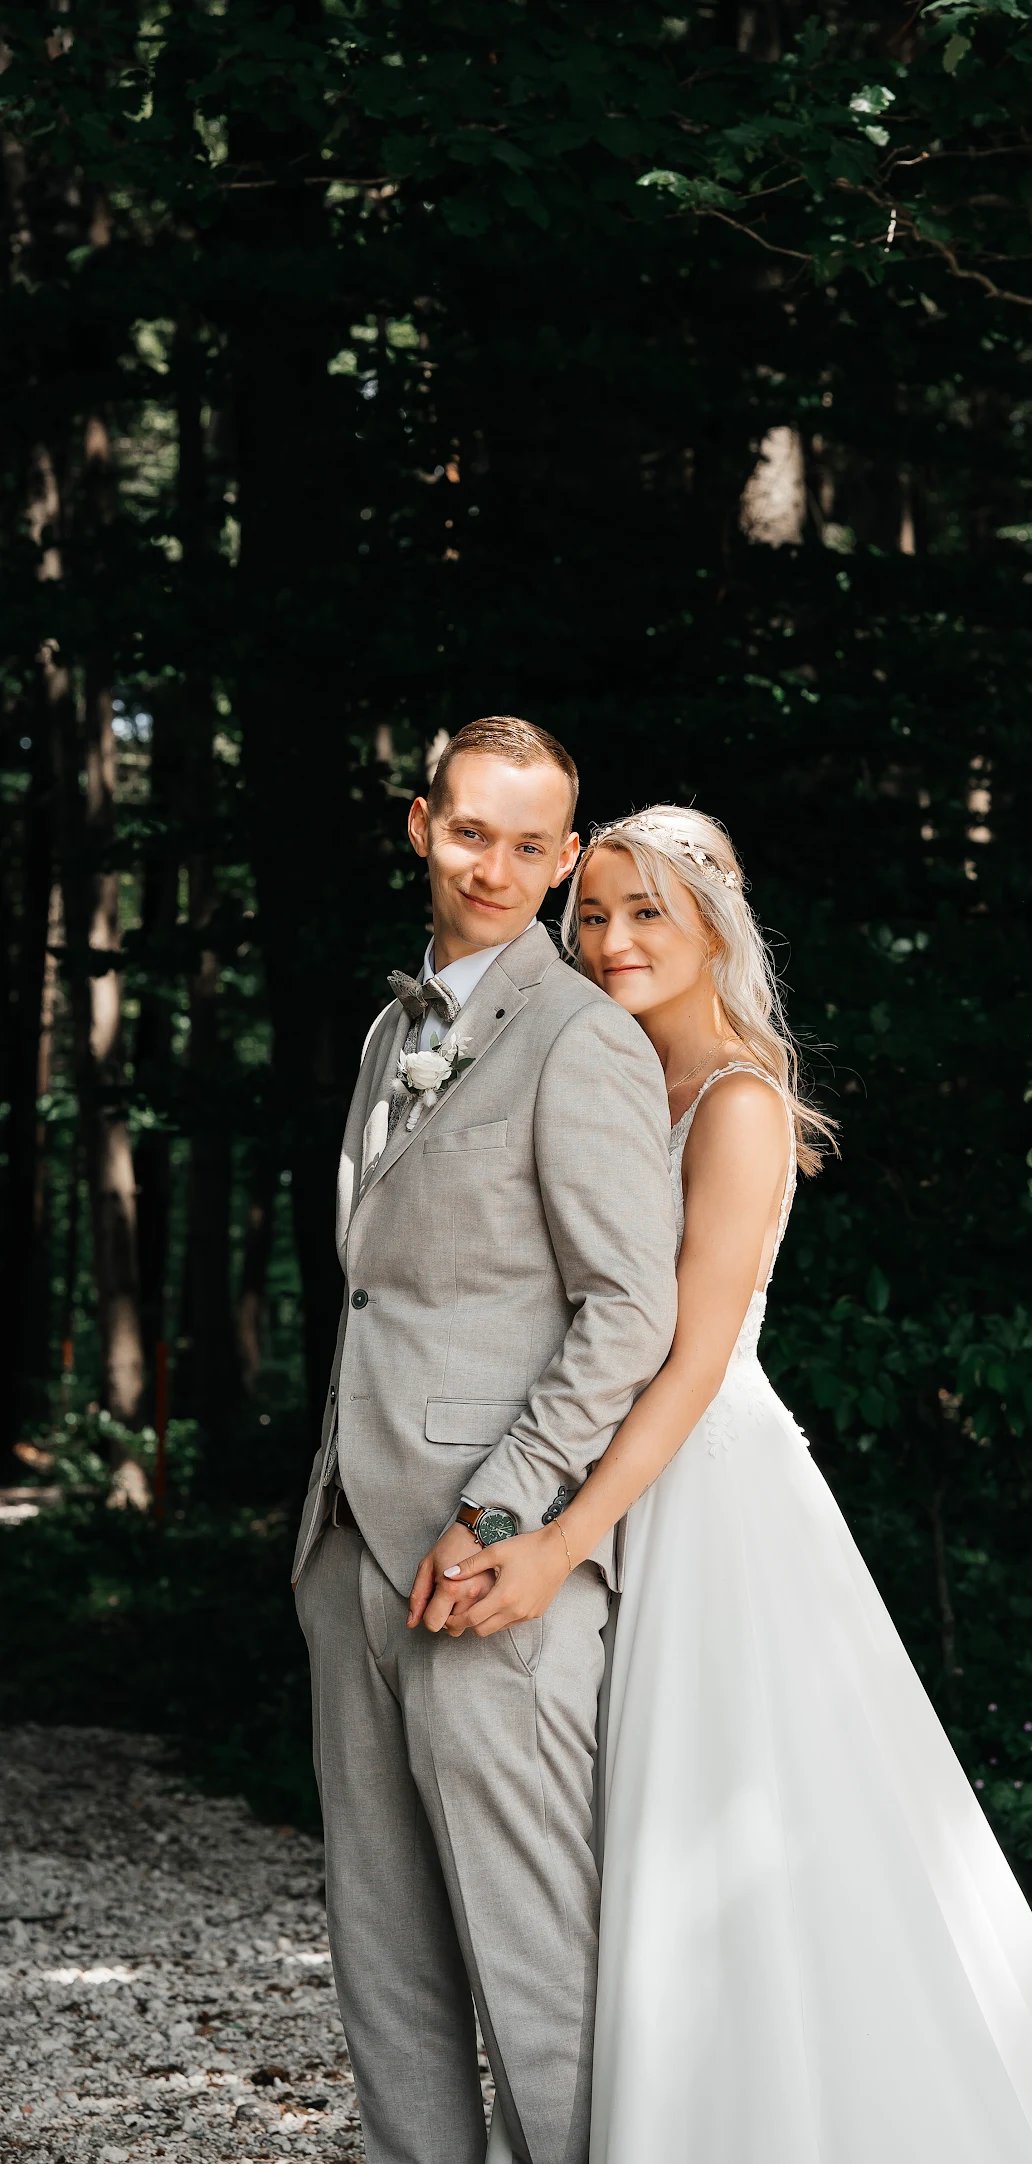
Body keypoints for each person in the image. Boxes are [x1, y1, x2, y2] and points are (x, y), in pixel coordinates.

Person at [437, 805, 1032, 2164]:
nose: (613, 940)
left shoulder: (737, 1102)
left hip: (702, 1493)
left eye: (647, 912)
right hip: (600, 1461)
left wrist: (562, 1534)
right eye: (594, 915)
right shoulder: (606, 1075)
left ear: (716, 925)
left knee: (728, 1819)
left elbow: (694, 1361)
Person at [291, 720, 676, 2164]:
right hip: (349, 1545)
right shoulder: (393, 1030)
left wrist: (506, 1509)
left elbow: (629, 1310)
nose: (494, 870)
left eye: (529, 846)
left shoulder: (583, 1037)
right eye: (470, 834)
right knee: (382, 1954)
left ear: (566, 858)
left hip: (489, 1568)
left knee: (531, 1968)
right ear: (421, 827)